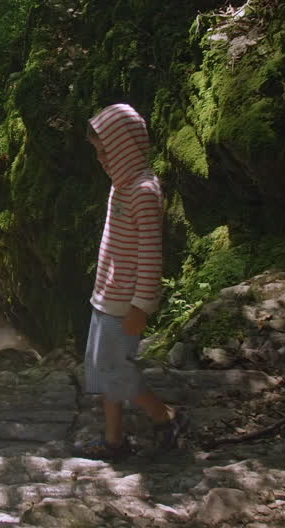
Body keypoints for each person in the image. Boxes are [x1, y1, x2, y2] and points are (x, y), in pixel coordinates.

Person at [75, 103, 189, 460]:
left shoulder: (143, 190)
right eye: (97, 152)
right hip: (105, 295)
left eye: (104, 150)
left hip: (125, 302)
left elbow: (150, 256)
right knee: (101, 367)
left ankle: (164, 415)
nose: (100, 158)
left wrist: (142, 305)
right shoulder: (120, 186)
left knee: (114, 368)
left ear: (123, 146)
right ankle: (114, 441)